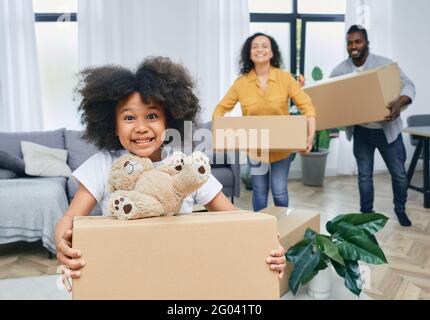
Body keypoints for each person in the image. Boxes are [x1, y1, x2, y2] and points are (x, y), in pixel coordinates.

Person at [55, 57, 286, 291]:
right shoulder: (102, 165)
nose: (141, 127)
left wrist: (266, 242)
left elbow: (235, 219)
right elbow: (69, 219)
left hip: (179, 276)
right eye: (129, 118)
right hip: (125, 275)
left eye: (152, 116)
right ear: (114, 126)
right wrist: (63, 244)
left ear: (168, 121)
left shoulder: (186, 168)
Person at [213, 33, 317, 212]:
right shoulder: (241, 83)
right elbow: (220, 109)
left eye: (264, 46)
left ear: (272, 52)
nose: (260, 49)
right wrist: (220, 135)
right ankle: (260, 230)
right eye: (255, 46)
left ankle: (282, 228)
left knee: (279, 191)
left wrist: (309, 136)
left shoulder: (284, 79)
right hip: (256, 150)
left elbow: (307, 106)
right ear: (249, 53)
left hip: (282, 150)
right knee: (260, 192)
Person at [330, 25, 416, 227]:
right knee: (364, 177)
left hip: (388, 132)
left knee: (399, 175)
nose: (354, 46)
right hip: (361, 132)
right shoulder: (340, 70)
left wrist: (399, 102)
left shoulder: (384, 65)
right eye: (350, 42)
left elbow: (409, 85)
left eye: (358, 41)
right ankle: (366, 215)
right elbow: (332, 95)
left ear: (366, 43)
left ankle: (400, 209)